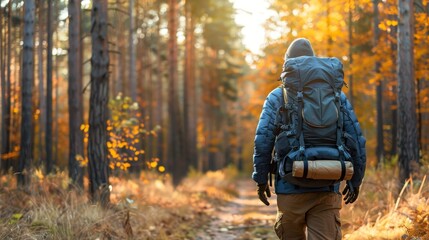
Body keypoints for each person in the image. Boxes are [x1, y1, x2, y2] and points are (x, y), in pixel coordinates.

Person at [252, 38, 366, 239]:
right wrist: (355, 180)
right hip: (328, 183)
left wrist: (261, 179)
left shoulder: (278, 96)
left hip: (289, 184)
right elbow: (356, 138)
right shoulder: (337, 96)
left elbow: (263, 140)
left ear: (288, 63)